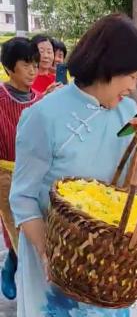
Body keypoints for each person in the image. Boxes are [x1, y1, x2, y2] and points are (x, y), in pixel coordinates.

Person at [10, 14, 137, 317]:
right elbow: (22, 199)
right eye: (131, 75)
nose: (133, 86)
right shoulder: (44, 117)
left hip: (106, 261)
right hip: (56, 259)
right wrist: (50, 255)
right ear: (109, 66)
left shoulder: (127, 112)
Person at [0, 37, 42, 300]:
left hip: (36, 173)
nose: (32, 71)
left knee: (37, 229)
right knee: (16, 229)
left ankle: (12, 264)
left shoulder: (40, 100)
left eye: (35, 64)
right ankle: (16, 270)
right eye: (26, 64)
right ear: (8, 67)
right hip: (5, 174)